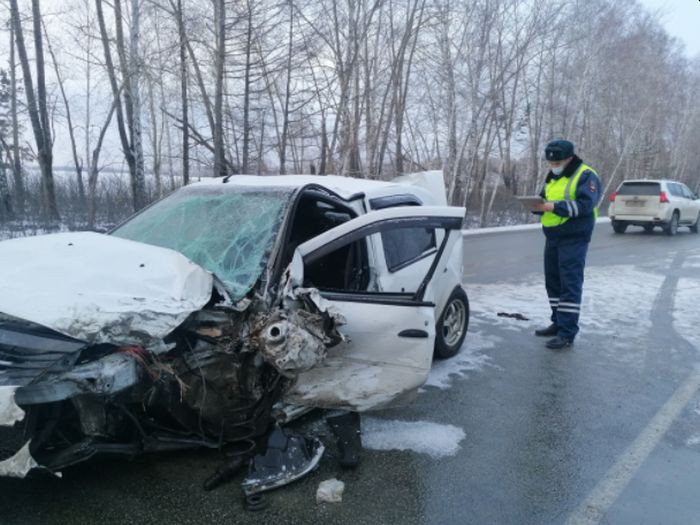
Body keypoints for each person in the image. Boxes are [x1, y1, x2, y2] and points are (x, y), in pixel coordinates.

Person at [531, 139, 601, 349]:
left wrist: (554, 207)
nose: (553, 166)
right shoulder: (553, 176)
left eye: (557, 162)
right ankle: (557, 322)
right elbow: (545, 198)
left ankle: (567, 332)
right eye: (551, 163)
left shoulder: (586, 175)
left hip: (574, 237)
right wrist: (537, 205)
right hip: (553, 236)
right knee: (553, 282)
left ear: (569, 158)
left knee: (569, 284)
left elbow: (585, 205)